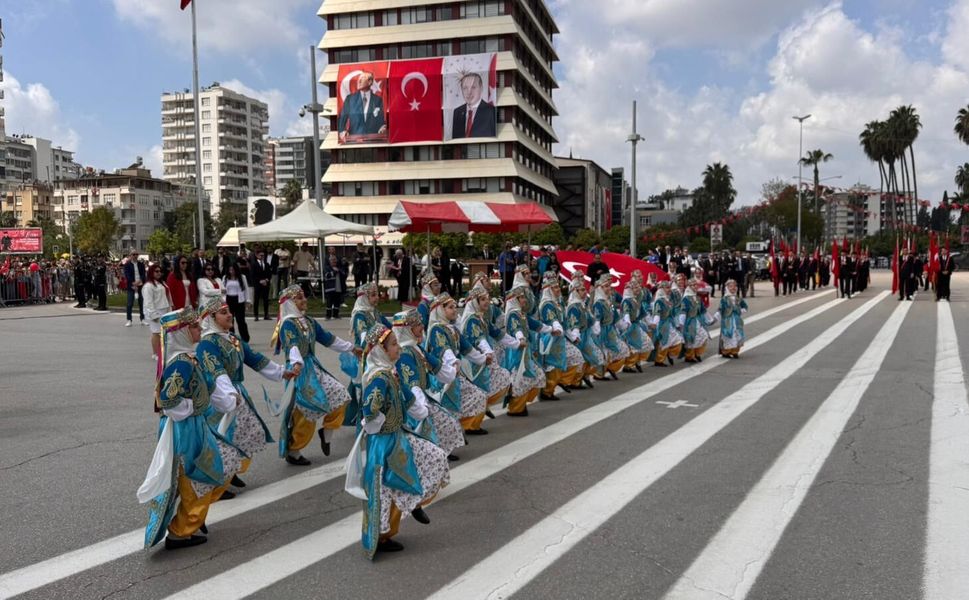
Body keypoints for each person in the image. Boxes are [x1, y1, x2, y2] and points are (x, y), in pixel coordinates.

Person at [139, 307, 245, 550]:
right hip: (184, 428)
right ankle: (182, 530)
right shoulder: (181, 364)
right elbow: (168, 401)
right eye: (194, 326)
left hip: (194, 424)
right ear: (182, 332)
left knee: (220, 462)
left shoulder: (190, 358)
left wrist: (229, 400)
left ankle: (193, 518)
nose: (200, 329)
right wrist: (193, 407)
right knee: (195, 476)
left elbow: (208, 387)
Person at [356, 323, 449, 558]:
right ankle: (382, 535)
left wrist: (421, 411)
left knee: (434, 456)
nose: (398, 347)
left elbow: (406, 397)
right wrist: (378, 423)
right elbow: (369, 408)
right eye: (393, 344)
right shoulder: (379, 378)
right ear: (381, 350)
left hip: (398, 436)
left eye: (397, 343)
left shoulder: (390, 372)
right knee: (385, 488)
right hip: (384, 444)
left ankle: (415, 503)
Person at [196, 297, 296, 494]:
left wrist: (281, 372)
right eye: (223, 313)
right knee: (221, 439)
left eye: (228, 311)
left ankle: (229, 472)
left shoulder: (232, 339)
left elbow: (254, 359)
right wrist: (230, 395)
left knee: (245, 433)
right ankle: (216, 485)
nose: (230, 315)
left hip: (236, 393)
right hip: (220, 397)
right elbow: (216, 373)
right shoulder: (207, 344)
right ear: (211, 318)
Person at [273, 285, 354, 465]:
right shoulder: (287, 323)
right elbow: (292, 345)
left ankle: (326, 433)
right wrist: (296, 363)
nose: (304, 300)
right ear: (290, 302)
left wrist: (350, 348)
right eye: (299, 298)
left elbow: (328, 339)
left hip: (313, 367)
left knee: (341, 395)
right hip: (299, 370)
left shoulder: (308, 321)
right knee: (306, 410)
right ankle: (294, 451)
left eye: (303, 296)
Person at [393, 309, 466, 461]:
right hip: (412, 402)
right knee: (436, 423)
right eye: (417, 324)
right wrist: (422, 405)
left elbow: (436, 364)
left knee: (447, 421)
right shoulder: (404, 353)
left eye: (421, 323)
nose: (422, 327)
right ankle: (430, 456)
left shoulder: (414, 347)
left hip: (421, 396)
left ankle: (440, 452)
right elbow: (412, 384)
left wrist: (453, 370)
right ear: (407, 329)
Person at [424, 293, 490, 434]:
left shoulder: (452, 329)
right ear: (440, 310)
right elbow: (444, 349)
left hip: (454, 373)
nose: (455, 310)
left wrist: (483, 358)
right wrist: (454, 362)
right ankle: (450, 434)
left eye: (455, 307)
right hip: (442, 377)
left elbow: (467, 349)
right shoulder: (436, 329)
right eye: (450, 307)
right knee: (446, 409)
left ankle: (467, 427)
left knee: (478, 396)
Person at [458, 285, 513, 414]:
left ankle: (482, 405)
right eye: (482, 299)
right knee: (493, 382)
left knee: (502, 378)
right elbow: (479, 339)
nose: (487, 302)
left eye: (487, 299)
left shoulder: (481, 318)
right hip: (476, 360)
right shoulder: (472, 320)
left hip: (485, 358)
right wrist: (489, 353)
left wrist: (515, 342)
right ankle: (480, 408)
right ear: (474, 302)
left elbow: (497, 333)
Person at [501, 285, 546, 416]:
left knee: (536, 375)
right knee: (519, 377)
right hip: (517, 351)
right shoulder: (513, 314)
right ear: (514, 300)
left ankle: (520, 404)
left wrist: (550, 329)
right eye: (521, 297)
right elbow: (516, 329)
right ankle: (516, 408)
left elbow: (535, 325)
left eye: (523, 297)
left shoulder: (521, 314)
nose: (524, 300)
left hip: (525, 350)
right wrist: (520, 339)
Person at [338, 71, 387, 142]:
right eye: (358, 79)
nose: (359, 81)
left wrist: (383, 127)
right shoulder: (350, 99)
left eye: (362, 78)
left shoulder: (378, 100)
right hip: (354, 142)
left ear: (370, 82)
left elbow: (380, 121)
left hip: (373, 141)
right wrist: (342, 132)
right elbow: (342, 120)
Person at [449, 72, 497, 138]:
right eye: (465, 88)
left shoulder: (491, 111)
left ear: (481, 88)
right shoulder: (457, 112)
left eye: (473, 87)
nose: (469, 92)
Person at [650, 281, 684, 367]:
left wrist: (677, 323)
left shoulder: (667, 299)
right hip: (662, 324)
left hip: (670, 323)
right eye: (667, 288)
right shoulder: (658, 301)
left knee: (678, 341)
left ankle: (668, 353)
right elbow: (657, 313)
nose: (669, 290)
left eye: (669, 287)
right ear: (662, 289)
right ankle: (659, 360)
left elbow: (672, 313)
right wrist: (654, 323)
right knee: (664, 342)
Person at [143, 264, 172, 363]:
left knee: (163, 333)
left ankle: (162, 351)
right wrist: (153, 315)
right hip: (156, 311)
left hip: (165, 309)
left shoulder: (162, 283)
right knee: (156, 332)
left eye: (160, 271)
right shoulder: (148, 286)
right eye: (156, 271)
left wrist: (170, 307)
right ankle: (155, 353)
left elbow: (168, 296)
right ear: (151, 272)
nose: (159, 273)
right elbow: (148, 302)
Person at [681, 279, 712, 363]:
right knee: (692, 338)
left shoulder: (698, 298)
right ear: (689, 287)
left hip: (698, 320)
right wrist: (681, 323)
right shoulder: (686, 299)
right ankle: (689, 356)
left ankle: (697, 353)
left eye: (696, 285)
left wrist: (710, 319)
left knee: (703, 336)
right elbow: (683, 311)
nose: (695, 287)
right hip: (690, 321)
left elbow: (703, 310)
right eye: (693, 285)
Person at [222, 263, 250, 343]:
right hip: (228, 300)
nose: (231, 272)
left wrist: (248, 300)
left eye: (233, 270)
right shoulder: (225, 278)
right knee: (230, 320)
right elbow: (222, 289)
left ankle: (245, 338)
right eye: (230, 270)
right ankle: (232, 337)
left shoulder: (242, 277)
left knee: (240, 320)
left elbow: (246, 289)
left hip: (239, 300)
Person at [719, 279, 748, 358]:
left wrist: (741, 310)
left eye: (735, 286)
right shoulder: (724, 299)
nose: (733, 288)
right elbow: (720, 309)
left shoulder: (738, 298)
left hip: (737, 319)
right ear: (727, 288)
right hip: (728, 320)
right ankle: (726, 351)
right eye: (731, 286)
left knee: (737, 334)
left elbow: (745, 306)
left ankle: (735, 351)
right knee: (729, 334)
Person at [123, 252, 147, 327]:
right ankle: (129, 320)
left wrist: (139, 281)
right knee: (129, 303)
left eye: (136, 254)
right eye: (133, 254)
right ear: (130, 255)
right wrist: (133, 283)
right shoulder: (127, 265)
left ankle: (142, 319)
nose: (135, 256)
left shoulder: (141, 264)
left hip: (140, 285)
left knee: (141, 303)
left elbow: (143, 274)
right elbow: (127, 275)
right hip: (131, 286)